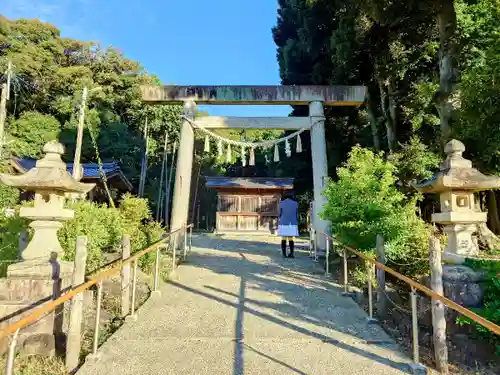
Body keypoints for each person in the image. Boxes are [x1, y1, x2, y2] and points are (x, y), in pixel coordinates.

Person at [278, 190, 299, 258]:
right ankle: (291, 253)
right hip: (292, 222)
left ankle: (284, 254)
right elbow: (297, 214)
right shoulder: (295, 203)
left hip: (284, 222)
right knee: (291, 238)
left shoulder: (282, 203)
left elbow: (280, 213)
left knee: (283, 237)